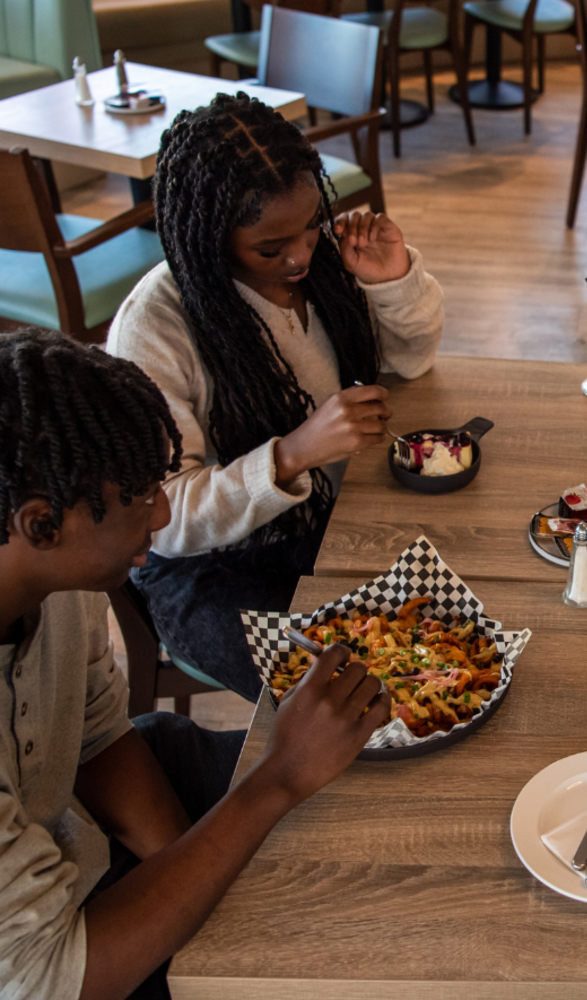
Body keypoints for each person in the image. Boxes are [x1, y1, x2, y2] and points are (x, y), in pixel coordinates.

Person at [0, 328, 390, 1000]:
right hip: (51, 965)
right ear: (42, 525)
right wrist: (276, 781)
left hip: (70, 840)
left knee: (363, 792)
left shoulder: (59, 585)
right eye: (142, 495)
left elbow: (96, 736)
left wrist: (204, 880)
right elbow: (48, 979)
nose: (161, 512)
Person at [107, 93, 444, 702]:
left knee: (444, 647)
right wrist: (291, 455)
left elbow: (411, 362)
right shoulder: (155, 326)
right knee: (359, 701)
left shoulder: (322, 266)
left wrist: (393, 282)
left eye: (312, 225)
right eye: (270, 249)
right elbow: (162, 520)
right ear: (208, 236)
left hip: (332, 520)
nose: (300, 257)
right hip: (213, 569)